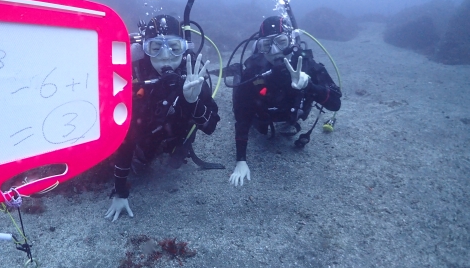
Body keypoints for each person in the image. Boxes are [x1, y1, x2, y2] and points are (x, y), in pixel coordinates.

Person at [105, 14, 220, 221]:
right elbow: (126, 138)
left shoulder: (192, 75)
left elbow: (210, 126)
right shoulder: (135, 77)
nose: (166, 56)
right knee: (140, 166)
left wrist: (193, 102)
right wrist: (120, 191)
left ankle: (173, 148)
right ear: (144, 50)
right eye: (155, 48)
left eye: (174, 47)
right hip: (145, 133)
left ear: (184, 49)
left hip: (177, 135)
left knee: (175, 160)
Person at [230, 14, 341, 186]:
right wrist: (241, 160)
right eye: (266, 45)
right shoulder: (255, 70)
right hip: (262, 117)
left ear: (292, 41)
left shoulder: (307, 65)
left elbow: (335, 103)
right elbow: (242, 116)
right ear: (259, 47)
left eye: (281, 42)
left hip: (291, 115)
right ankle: (236, 71)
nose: (275, 51)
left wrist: (310, 85)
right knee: (239, 94)